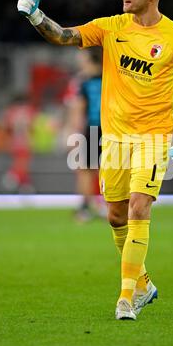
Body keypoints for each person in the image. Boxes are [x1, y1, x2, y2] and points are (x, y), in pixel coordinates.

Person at [17, 0, 173, 320]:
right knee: (116, 215)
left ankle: (125, 298)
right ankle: (144, 283)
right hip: (115, 140)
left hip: (153, 137)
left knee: (138, 207)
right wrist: (36, 16)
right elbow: (64, 35)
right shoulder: (109, 28)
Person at [71, 48, 103, 222]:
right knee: (111, 169)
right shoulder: (111, 78)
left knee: (85, 170)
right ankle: (108, 206)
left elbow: (79, 109)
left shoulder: (84, 82)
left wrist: (74, 134)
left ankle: (85, 208)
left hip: (92, 128)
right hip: (111, 129)